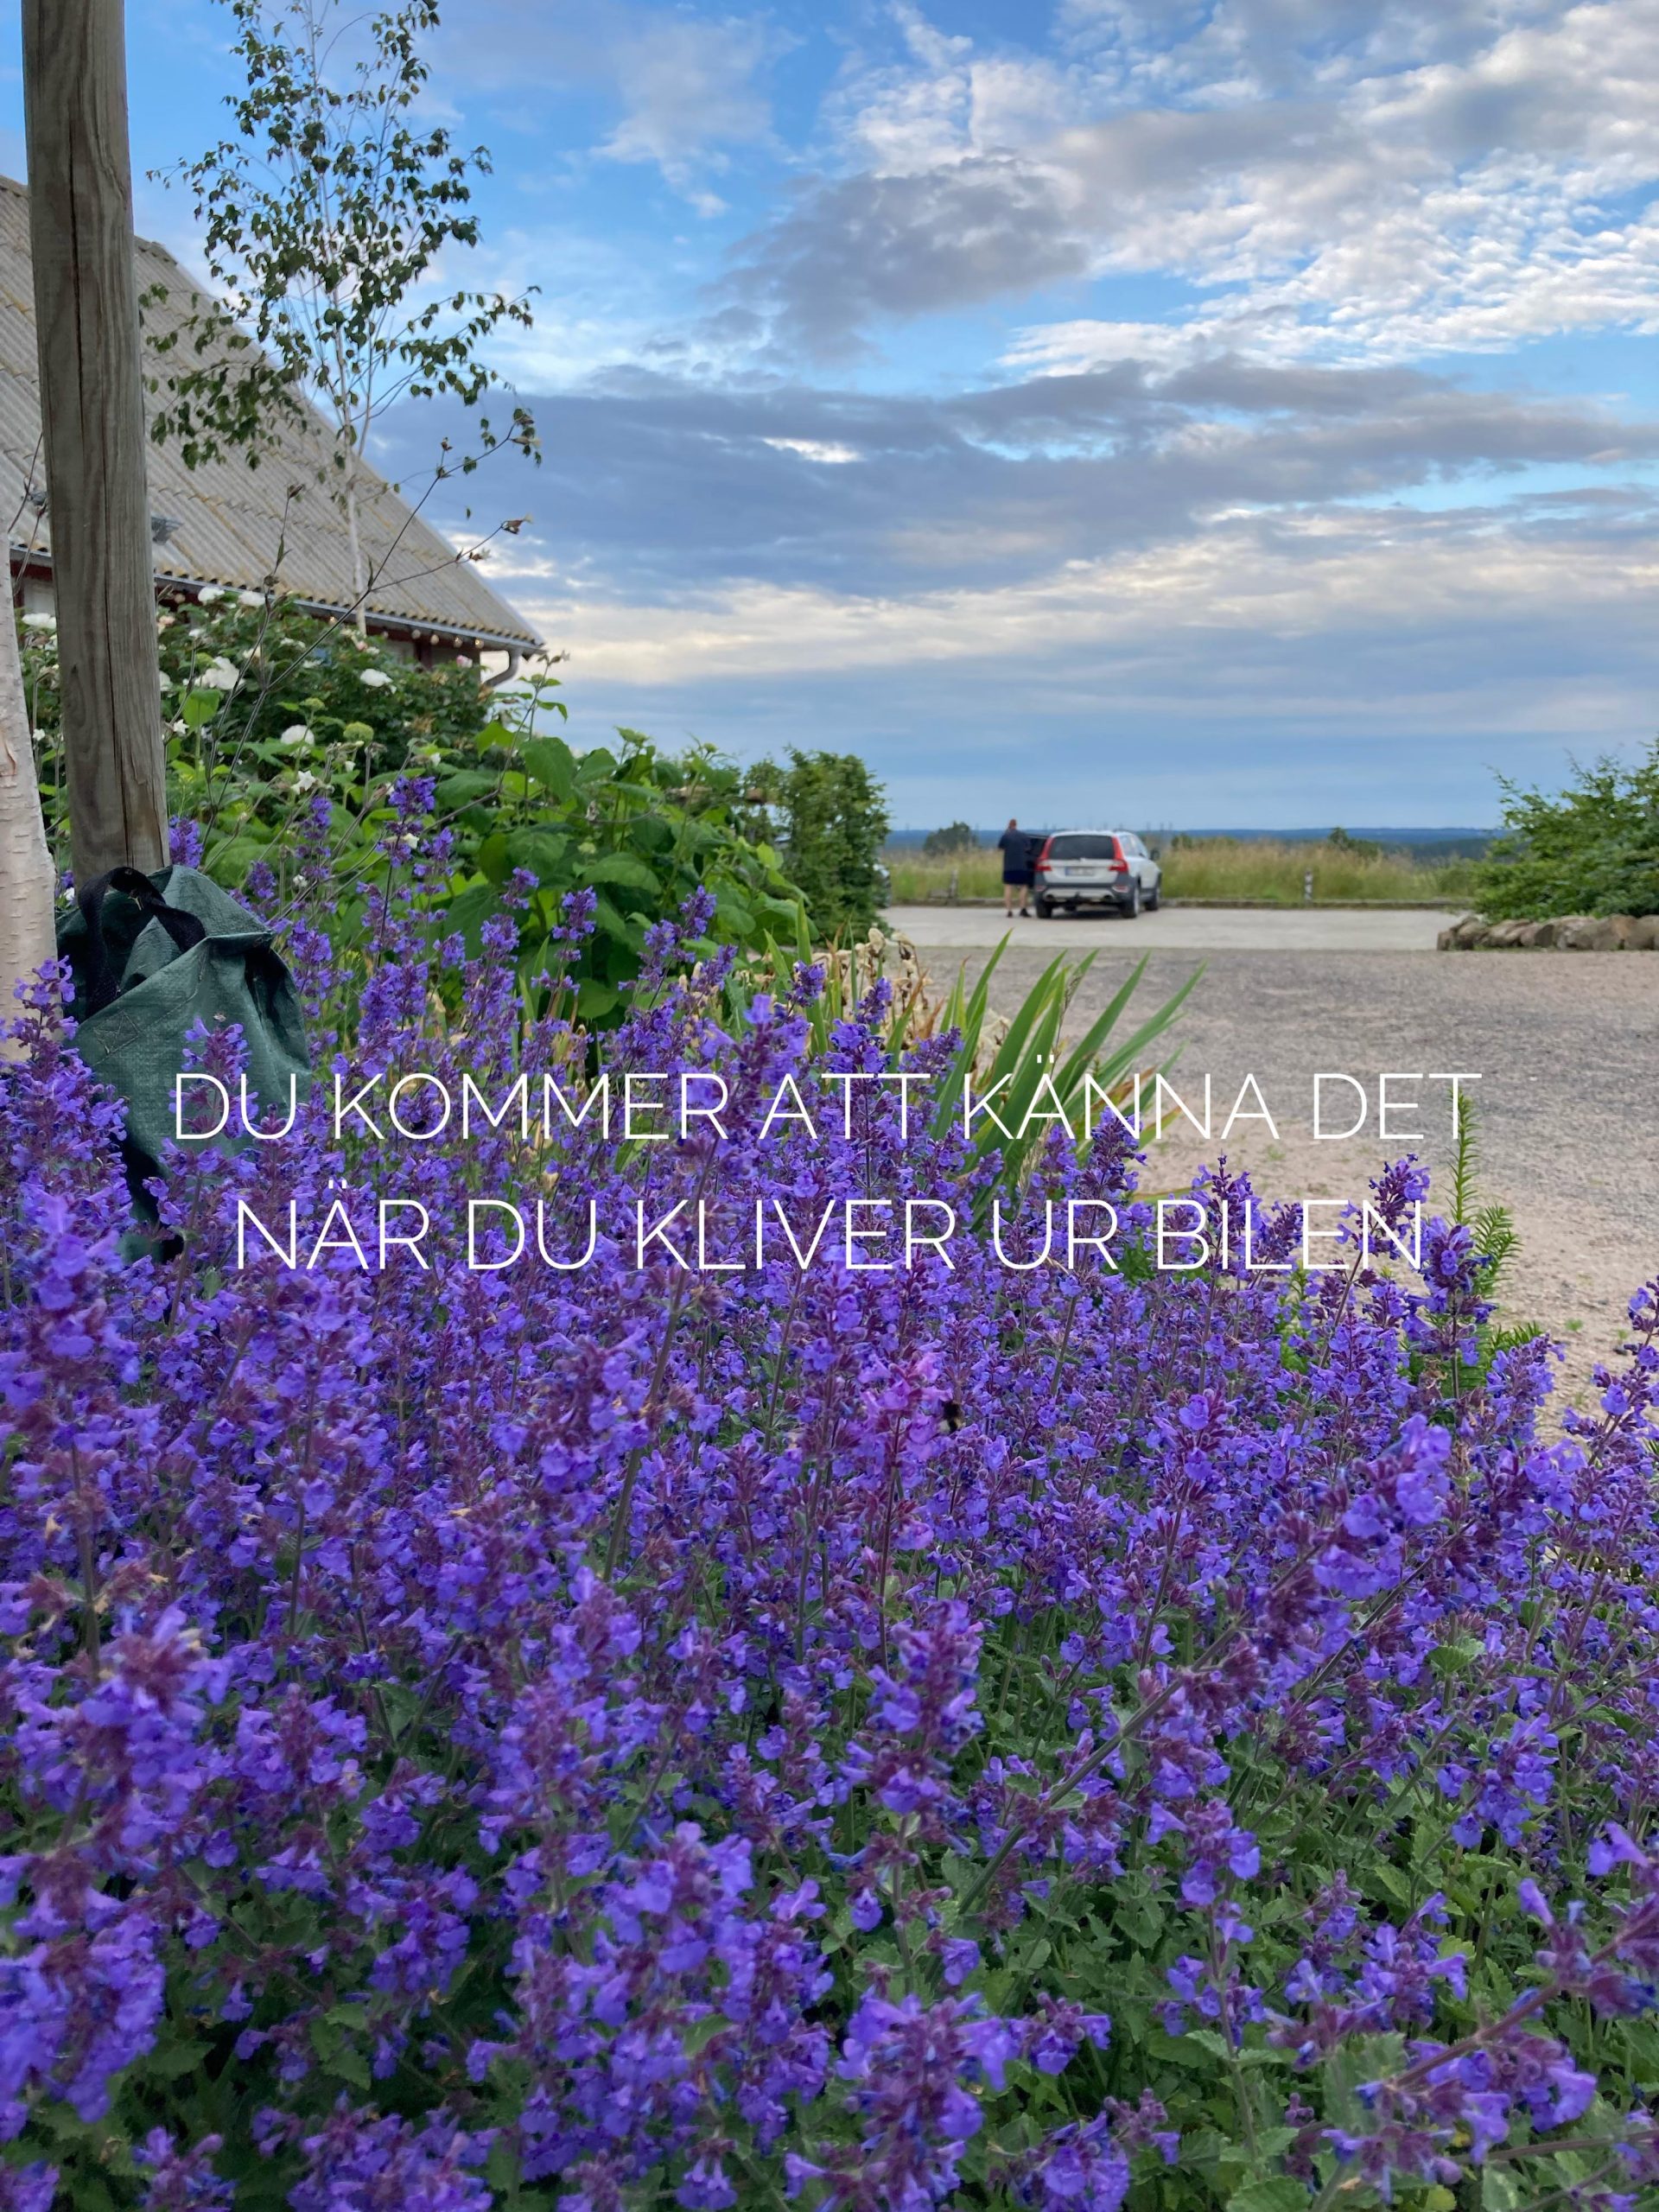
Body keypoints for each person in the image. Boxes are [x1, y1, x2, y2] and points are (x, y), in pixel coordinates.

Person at [997, 817, 1034, 918]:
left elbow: (1000, 848)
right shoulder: (1023, 835)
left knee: (1008, 887)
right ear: (1016, 825)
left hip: (1008, 866)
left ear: (1009, 825)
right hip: (1022, 865)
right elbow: (1028, 848)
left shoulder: (1005, 836)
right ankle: (1023, 909)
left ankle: (1009, 911)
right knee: (1024, 887)